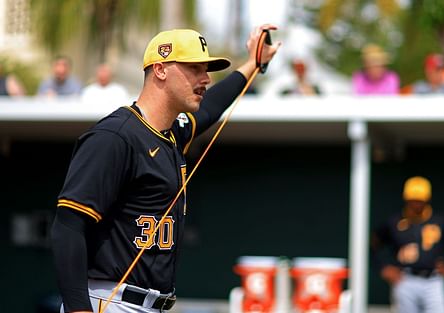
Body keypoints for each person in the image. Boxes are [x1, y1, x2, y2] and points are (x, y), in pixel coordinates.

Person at [51, 24, 280, 313]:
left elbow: (212, 107)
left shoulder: (172, 134)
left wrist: (253, 65)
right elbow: (68, 226)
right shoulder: (115, 137)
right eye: (195, 68)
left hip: (149, 305)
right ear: (160, 69)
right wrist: (78, 310)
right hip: (109, 301)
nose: (206, 78)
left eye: (206, 69)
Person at [370, 176, 444, 313]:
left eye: (420, 200)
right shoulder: (394, 222)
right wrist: (383, 268)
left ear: (427, 199)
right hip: (405, 279)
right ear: (406, 199)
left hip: (433, 280)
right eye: (413, 200)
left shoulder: (441, 220)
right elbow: (372, 244)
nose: (416, 204)